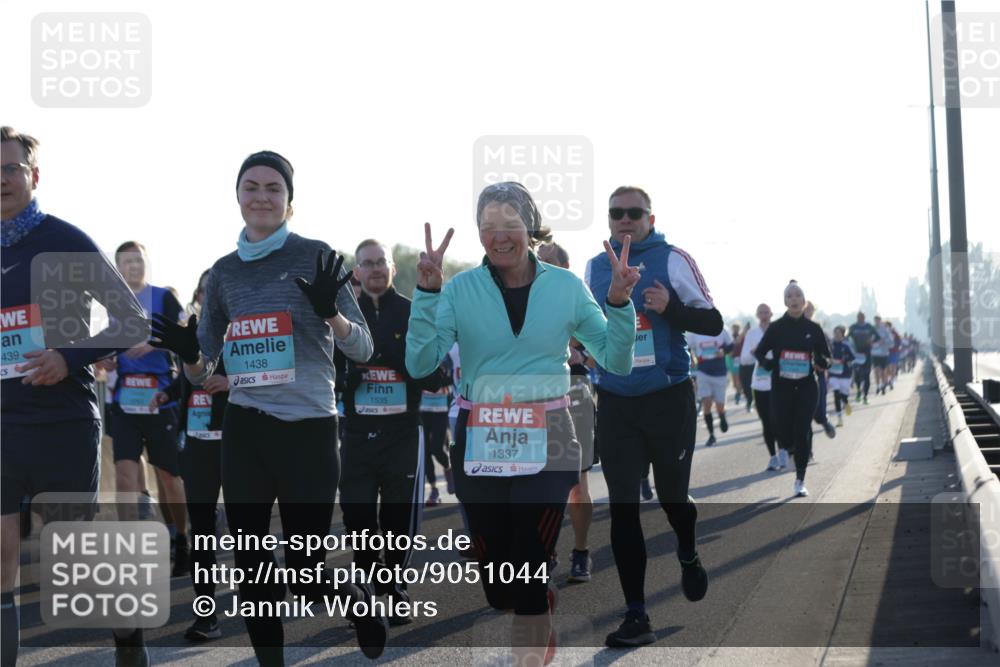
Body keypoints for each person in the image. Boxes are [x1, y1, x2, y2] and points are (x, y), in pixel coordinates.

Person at [150, 150, 386, 665]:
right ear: (237, 197)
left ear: (290, 201)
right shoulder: (223, 274)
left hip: (309, 429)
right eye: (251, 187)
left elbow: (363, 349)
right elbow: (202, 366)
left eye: (273, 188)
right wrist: (189, 354)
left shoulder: (318, 255)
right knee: (254, 563)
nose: (261, 196)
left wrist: (333, 317)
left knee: (305, 566)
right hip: (247, 428)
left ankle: (351, 597)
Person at [406, 182, 637, 665]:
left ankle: (532, 641)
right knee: (498, 588)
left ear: (529, 228)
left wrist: (618, 302)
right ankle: (533, 599)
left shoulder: (567, 287)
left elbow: (615, 361)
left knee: (528, 571)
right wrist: (427, 295)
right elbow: (419, 364)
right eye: (488, 225)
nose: (499, 235)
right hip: (478, 441)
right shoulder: (460, 289)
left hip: (548, 440)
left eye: (510, 224)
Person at [1, 126, 148, 666]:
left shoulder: (64, 239)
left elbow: (131, 319)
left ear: (33, 176)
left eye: (9, 169)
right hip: (2, 428)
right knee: (1, 563)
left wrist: (68, 356)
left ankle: (128, 638)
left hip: (62, 424)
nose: (0, 180)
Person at [585, 186, 720, 647]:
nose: (624, 219)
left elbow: (714, 323)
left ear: (650, 216)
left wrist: (672, 309)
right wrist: (583, 348)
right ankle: (636, 614)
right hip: (617, 401)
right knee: (623, 505)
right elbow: (590, 327)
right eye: (616, 213)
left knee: (672, 499)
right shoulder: (596, 267)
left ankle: (687, 550)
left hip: (667, 398)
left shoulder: (672, 259)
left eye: (633, 213)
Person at [339, 239, 448, 625]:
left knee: (399, 518)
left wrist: (398, 363)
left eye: (381, 261)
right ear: (356, 272)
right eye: (366, 263)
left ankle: (395, 587)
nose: (375, 269)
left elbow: (437, 376)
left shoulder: (413, 311)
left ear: (393, 268)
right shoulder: (341, 317)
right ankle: (366, 590)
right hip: (356, 433)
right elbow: (331, 372)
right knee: (359, 516)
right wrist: (353, 375)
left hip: (402, 432)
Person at [151, 268, 229, 642]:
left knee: (253, 529)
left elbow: (272, 379)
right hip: (198, 441)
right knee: (201, 532)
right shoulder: (194, 336)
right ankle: (206, 614)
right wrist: (167, 393)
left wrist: (231, 383)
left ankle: (266, 592)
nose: (208, 298)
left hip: (239, 442)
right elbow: (187, 378)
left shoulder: (247, 333)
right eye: (204, 292)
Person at [110, 240, 191, 575]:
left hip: (161, 398)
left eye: (139, 260)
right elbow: (93, 341)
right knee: (126, 476)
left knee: (168, 478)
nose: (134, 266)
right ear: (118, 267)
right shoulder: (109, 302)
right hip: (125, 400)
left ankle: (181, 538)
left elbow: (187, 332)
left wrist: (154, 342)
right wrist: (102, 355)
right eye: (127, 262)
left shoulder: (163, 298)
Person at [538, 241, 598, 583]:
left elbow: (599, 349)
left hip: (574, 392)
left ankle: (580, 551)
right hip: (532, 395)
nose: (539, 266)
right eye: (537, 261)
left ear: (564, 266)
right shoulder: (521, 296)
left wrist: (579, 357)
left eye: (547, 262)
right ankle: (544, 551)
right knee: (536, 479)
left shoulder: (577, 298)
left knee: (576, 482)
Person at [754, 281, 832, 498]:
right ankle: (788, 449)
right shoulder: (777, 328)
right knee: (781, 427)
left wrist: (821, 362)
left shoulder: (813, 329)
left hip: (807, 386)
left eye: (798, 295)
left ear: (804, 300)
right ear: (785, 301)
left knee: (803, 429)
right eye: (790, 296)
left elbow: (827, 357)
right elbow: (759, 352)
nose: (794, 298)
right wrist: (769, 364)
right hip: (782, 387)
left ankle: (800, 479)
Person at [743, 304, 785, 470]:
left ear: (771, 313)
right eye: (761, 312)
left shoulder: (778, 330)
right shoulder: (752, 334)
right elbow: (744, 359)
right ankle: (772, 456)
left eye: (766, 312)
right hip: (759, 382)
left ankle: (782, 451)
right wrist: (754, 352)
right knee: (766, 422)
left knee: (778, 419)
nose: (764, 315)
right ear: (757, 314)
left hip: (777, 380)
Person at [687, 328, 733, 447]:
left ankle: (722, 415)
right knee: (706, 403)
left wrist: (723, 351)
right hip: (703, 371)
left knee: (719, 406)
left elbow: (731, 346)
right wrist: (691, 357)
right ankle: (711, 435)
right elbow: (686, 346)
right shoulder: (694, 332)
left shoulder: (721, 328)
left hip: (720, 372)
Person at [803, 301, 836, 440]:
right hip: (798, 374)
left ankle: (823, 421)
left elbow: (828, 355)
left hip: (818, 373)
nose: (807, 311)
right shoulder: (791, 329)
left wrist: (821, 364)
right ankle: (806, 449)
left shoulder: (817, 329)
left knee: (818, 404)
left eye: (809, 309)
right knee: (803, 414)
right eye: (805, 309)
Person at [848, 312, 879, 404]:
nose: (860, 318)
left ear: (864, 317)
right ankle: (858, 391)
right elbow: (846, 337)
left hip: (867, 354)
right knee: (857, 374)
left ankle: (865, 396)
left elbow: (877, 337)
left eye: (862, 317)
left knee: (866, 375)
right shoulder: (853, 327)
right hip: (857, 354)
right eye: (859, 317)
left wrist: (872, 340)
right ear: (857, 317)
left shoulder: (869, 326)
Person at [828, 326, 856, 427]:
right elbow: (825, 355)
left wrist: (843, 360)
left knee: (843, 396)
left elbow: (853, 357)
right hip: (833, 374)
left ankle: (846, 403)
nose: (836, 335)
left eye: (839, 333)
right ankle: (839, 418)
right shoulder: (830, 345)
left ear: (842, 335)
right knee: (836, 393)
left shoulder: (846, 345)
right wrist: (829, 360)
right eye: (835, 333)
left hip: (845, 374)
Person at [736, 320, 756, 411]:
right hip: (743, 364)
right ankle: (749, 399)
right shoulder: (742, 337)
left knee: (753, 383)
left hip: (753, 364)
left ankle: (752, 401)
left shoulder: (753, 336)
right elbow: (737, 341)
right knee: (745, 384)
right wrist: (744, 331)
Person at [871, 315, 892, 395]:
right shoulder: (872, 329)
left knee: (883, 371)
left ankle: (883, 385)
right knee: (876, 371)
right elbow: (869, 339)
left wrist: (884, 341)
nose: (876, 322)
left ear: (880, 321)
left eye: (878, 320)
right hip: (874, 353)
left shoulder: (885, 330)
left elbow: (891, 341)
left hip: (883, 353)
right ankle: (878, 386)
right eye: (875, 320)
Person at [726, 323, 743, 406]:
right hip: (730, 359)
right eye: (734, 328)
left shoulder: (742, 337)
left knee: (738, 376)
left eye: (737, 328)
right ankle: (738, 390)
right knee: (734, 378)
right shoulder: (730, 337)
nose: (736, 329)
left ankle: (738, 393)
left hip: (738, 359)